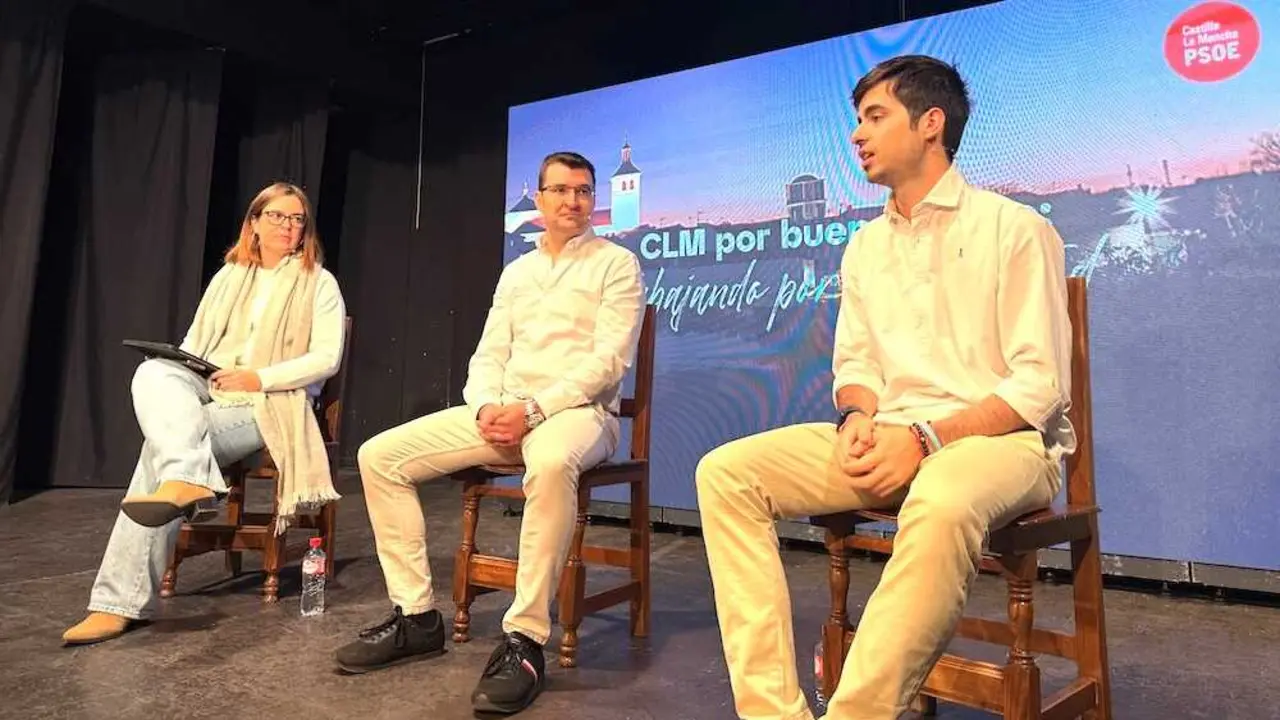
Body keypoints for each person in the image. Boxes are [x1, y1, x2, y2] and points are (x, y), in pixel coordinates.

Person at [695, 55, 1073, 719]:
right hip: (892, 433)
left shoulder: (1015, 229)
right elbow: (857, 365)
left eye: (875, 117)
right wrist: (857, 418)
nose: (856, 135)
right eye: (857, 120)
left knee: (945, 495)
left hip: (1002, 444)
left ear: (931, 124)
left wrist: (926, 438)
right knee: (726, 474)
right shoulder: (865, 245)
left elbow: (1038, 387)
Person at [336, 151, 645, 715]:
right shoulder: (517, 271)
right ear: (542, 196)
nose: (572, 201)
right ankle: (416, 617)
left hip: (579, 415)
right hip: (503, 414)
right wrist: (483, 408)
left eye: (583, 191)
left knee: (551, 463)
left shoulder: (616, 264)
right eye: (560, 190)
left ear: (593, 198)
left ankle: (525, 640)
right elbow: (488, 354)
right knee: (379, 456)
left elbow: (609, 362)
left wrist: (531, 410)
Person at [62, 182, 347, 646]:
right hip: (211, 386)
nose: (288, 227)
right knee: (155, 371)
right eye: (277, 216)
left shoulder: (319, 282)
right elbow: (194, 345)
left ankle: (116, 603)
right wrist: (194, 370)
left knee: (158, 453)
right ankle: (187, 473)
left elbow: (324, 359)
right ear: (254, 222)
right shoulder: (229, 276)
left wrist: (255, 378)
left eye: (297, 220)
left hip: (270, 403)